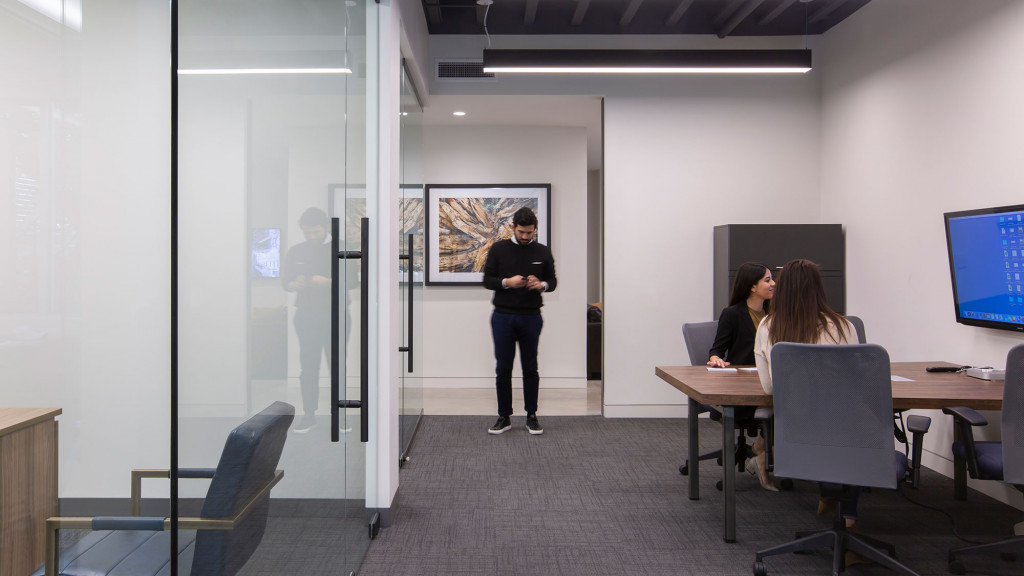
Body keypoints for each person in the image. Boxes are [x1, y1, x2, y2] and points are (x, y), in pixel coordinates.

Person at [753, 259, 861, 554]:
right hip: (846, 433)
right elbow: (856, 383)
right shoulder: (844, 326)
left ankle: (831, 493)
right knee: (853, 435)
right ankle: (849, 522)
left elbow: (769, 388)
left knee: (833, 439)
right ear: (818, 288)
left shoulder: (769, 326)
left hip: (795, 434)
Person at [482, 206, 557, 435]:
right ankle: (504, 416)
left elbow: (553, 282)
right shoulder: (498, 249)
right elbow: (487, 280)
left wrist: (541, 285)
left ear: (535, 230)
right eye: (521, 232)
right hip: (502, 317)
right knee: (503, 368)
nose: (525, 236)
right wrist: (507, 282)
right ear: (513, 227)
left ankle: (531, 415)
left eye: (530, 232)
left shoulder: (542, 251)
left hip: (531, 317)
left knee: (530, 367)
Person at [707, 262, 776, 491]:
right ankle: (762, 453)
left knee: (791, 406)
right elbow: (717, 349)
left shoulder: (774, 313)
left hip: (770, 381)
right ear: (752, 286)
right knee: (781, 409)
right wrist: (716, 359)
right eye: (767, 280)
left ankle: (760, 450)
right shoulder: (733, 314)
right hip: (743, 387)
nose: (773, 284)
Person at [281, 207, 332, 434]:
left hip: (335, 313)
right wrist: (295, 284)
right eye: (307, 233)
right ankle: (309, 414)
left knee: (337, 366)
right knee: (308, 366)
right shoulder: (296, 251)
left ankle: (340, 415)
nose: (311, 236)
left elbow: (352, 280)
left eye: (316, 232)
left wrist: (327, 282)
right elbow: (286, 282)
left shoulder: (340, 247)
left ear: (326, 227)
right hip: (306, 314)